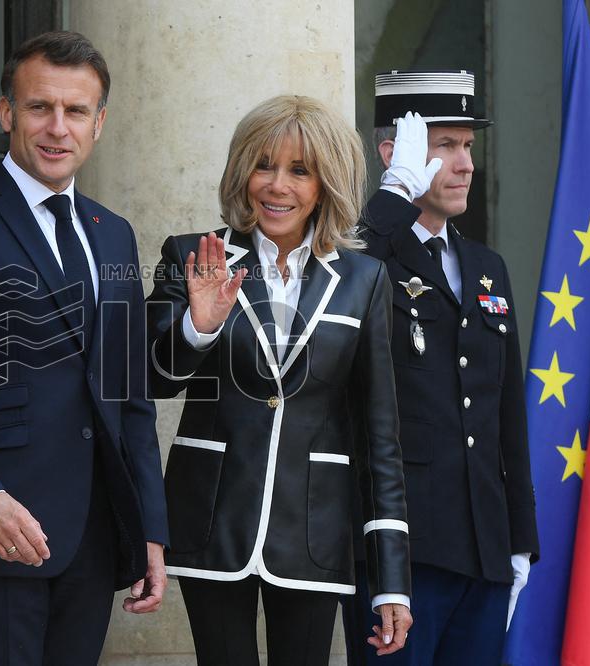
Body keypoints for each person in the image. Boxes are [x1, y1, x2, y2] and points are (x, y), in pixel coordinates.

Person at [0, 31, 168, 665]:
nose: (57, 127)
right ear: (6, 113)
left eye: (75, 111)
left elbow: (129, 394)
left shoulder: (115, 235)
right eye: (40, 106)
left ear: (99, 122)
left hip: (93, 541)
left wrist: (149, 526)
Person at [146, 95, 412, 666]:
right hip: (211, 521)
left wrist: (391, 577)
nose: (276, 186)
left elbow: (380, 438)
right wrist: (198, 325)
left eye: (299, 170)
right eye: (264, 165)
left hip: (315, 529)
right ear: (243, 171)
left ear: (326, 184)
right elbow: (152, 377)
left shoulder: (364, 280)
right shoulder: (191, 255)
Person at [343, 70, 540, 665]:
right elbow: (339, 298)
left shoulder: (486, 266)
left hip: (484, 544)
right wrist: (393, 199)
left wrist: (520, 541)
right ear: (395, 154)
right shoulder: (366, 255)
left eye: (470, 147)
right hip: (405, 550)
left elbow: (506, 408)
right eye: (445, 146)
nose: (465, 165)